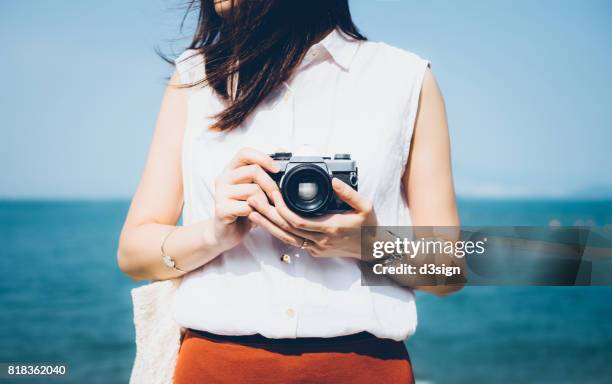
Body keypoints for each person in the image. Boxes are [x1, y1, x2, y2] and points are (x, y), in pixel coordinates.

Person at [118, 0, 461, 382]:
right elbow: (133, 254)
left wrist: (367, 243)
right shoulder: (195, 78)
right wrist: (213, 233)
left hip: (363, 370)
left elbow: (449, 270)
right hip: (214, 368)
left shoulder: (405, 79)